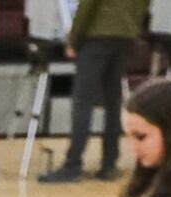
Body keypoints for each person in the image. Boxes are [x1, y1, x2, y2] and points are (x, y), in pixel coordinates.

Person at [43, 0, 143, 183]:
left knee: (83, 101)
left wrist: (73, 40)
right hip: (126, 36)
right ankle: (109, 164)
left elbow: (87, 5)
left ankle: (72, 165)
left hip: (97, 36)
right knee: (113, 102)